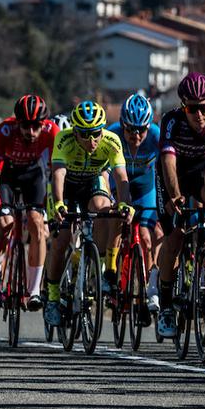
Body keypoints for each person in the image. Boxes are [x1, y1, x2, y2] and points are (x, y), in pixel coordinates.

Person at [44, 100, 134, 327]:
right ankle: (53, 297)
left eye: (95, 133)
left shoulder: (112, 141)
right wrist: (58, 204)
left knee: (105, 209)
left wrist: (124, 204)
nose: (91, 140)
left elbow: (121, 178)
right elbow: (58, 175)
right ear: (75, 131)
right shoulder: (63, 139)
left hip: (91, 184)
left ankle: (101, 265)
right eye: (84, 134)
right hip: (65, 188)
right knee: (61, 239)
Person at [155, 72, 205, 338]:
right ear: (182, 106)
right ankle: (165, 303)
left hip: (202, 173)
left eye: (204, 107)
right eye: (192, 108)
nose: (199, 115)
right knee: (174, 235)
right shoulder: (172, 122)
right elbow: (167, 162)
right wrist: (174, 196)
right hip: (173, 175)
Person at [0, 94, 59, 309]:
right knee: (4, 223)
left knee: (36, 223)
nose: (32, 132)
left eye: (37, 126)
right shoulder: (4, 130)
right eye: (27, 127)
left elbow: (57, 172)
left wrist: (56, 205)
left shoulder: (52, 131)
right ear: (18, 123)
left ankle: (34, 290)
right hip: (7, 176)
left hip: (33, 176)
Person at [109, 92, 162, 313]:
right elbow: (103, 170)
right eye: (131, 129)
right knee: (118, 225)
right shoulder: (112, 134)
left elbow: (167, 169)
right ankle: (111, 273)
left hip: (145, 187)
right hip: (117, 183)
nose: (137, 135)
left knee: (149, 238)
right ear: (122, 124)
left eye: (142, 129)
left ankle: (151, 288)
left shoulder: (156, 136)